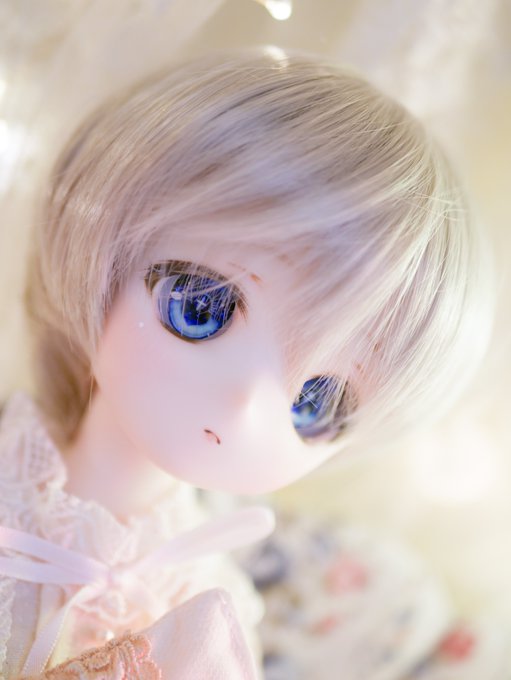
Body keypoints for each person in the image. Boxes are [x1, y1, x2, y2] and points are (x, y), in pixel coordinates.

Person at [0, 46, 492, 678]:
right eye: (200, 308)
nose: (244, 407)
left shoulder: (210, 600)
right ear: (105, 255)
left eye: (316, 402)